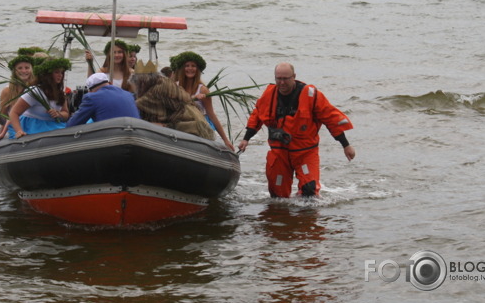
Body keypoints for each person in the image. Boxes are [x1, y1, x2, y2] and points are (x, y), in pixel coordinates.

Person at [237, 62, 356, 198]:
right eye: (278, 78)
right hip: (279, 152)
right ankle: (282, 217)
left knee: (309, 190)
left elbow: (331, 119)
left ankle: (305, 217)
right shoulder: (268, 95)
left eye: (285, 79)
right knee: (277, 195)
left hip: (305, 152)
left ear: (294, 77)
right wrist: (246, 139)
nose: (281, 83)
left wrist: (346, 145)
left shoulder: (311, 96)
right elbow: (257, 117)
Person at [0, 57, 71, 144]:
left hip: (51, 124)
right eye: (56, 72)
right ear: (47, 74)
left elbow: (66, 113)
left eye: (62, 72)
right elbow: (13, 112)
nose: (60, 75)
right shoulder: (35, 91)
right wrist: (19, 131)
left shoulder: (60, 92)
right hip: (32, 125)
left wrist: (58, 114)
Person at [170, 51, 235, 151]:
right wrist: (191, 99)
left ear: (198, 69)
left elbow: (211, 114)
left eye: (193, 66)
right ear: (182, 68)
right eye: (187, 65)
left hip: (198, 127)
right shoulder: (175, 86)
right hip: (180, 125)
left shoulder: (203, 90)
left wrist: (225, 139)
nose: (190, 69)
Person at [132, 72, 216, 142]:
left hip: (190, 125)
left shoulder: (158, 90)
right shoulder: (170, 85)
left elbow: (140, 104)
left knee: (151, 124)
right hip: (185, 119)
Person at [66, 72, 140, 127]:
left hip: (113, 138)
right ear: (110, 83)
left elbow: (72, 124)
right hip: (136, 133)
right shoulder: (128, 94)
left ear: (90, 91)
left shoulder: (91, 97)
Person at [0, 51, 37, 127]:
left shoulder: (36, 88)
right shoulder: (7, 91)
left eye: (27, 68)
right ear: (14, 71)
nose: (24, 71)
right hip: (16, 128)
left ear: (31, 69)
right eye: (20, 68)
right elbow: (3, 121)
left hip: (35, 126)